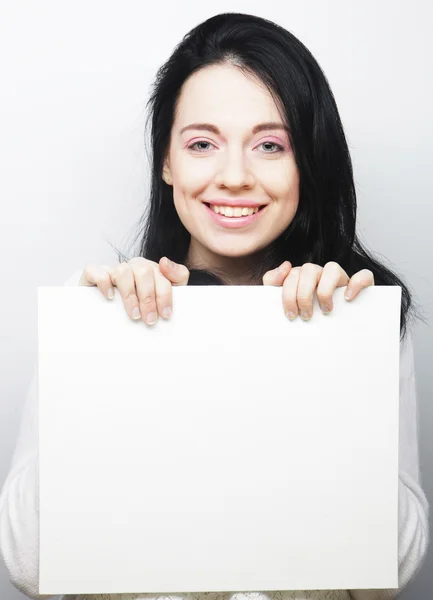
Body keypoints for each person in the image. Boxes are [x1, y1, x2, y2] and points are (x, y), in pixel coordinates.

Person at [0, 11, 429, 600]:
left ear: (307, 160)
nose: (234, 176)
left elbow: (390, 573)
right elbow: (29, 564)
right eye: (203, 143)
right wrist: (96, 357)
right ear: (167, 161)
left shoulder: (355, 312)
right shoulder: (94, 309)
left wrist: (333, 358)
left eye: (270, 145)